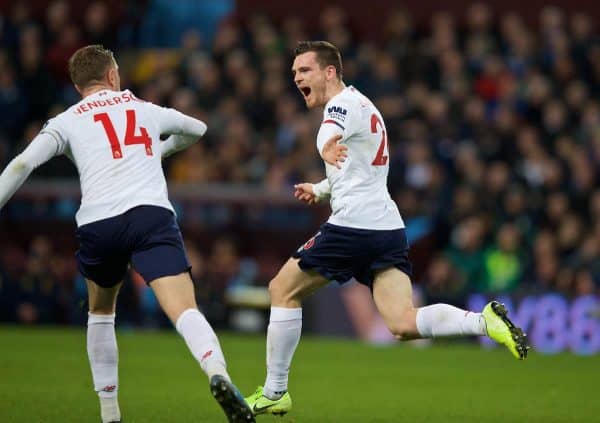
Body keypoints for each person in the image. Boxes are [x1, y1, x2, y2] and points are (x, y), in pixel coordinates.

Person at [244, 41, 529, 416]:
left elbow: (327, 134)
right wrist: (321, 187)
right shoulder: (366, 107)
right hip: (387, 227)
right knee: (402, 322)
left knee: (282, 289)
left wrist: (324, 147)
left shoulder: (341, 105)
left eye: (305, 71)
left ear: (330, 72)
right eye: (294, 72)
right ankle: (484, 321)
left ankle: (275, 391)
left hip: (352, 225)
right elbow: (361, 169)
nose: (297, 78)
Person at [0, 45, 254, 423]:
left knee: (101, 313)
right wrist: (161, 149)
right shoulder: (143, 108)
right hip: (150, 214)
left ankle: (110, 414)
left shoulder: (66, 120)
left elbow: (23, 163)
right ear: (114, 75)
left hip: (99, 223)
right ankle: (217, 372)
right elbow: (197, 129)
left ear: (77, 85)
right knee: (184, 308)